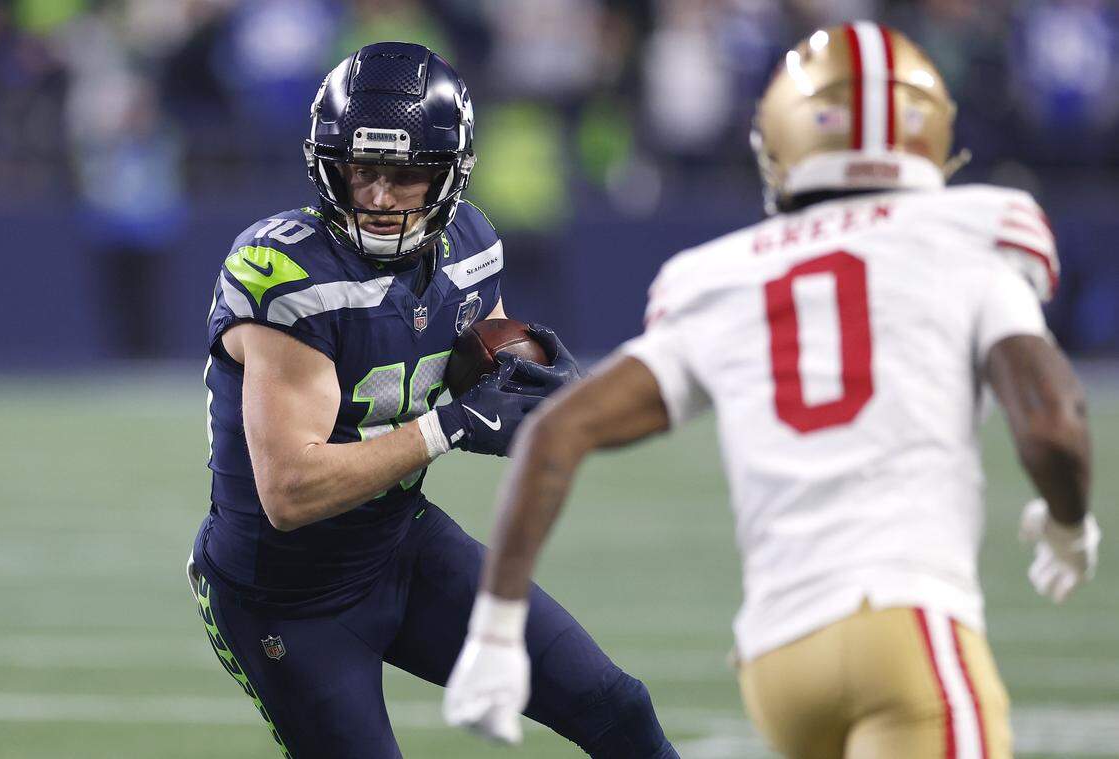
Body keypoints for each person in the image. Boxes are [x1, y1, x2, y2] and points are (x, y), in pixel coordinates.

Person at [444, 23, 1102, 759]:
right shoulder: (973, 229)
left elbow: (558, 431)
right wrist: (1069, 524)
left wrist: (499, 630)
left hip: (780, 659)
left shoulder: (728, 272)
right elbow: (1050, 424)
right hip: (906, 621)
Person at [186, 42, 678, 759]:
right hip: (285, 599)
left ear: (448, 175)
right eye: (363, 172)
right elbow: (289, 490)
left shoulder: (469, 241)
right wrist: (451, 424)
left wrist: (535, 388)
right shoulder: (288, 274)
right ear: (329, 166)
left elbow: (482, 357)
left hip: (399, 544)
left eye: (406, 175)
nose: (381, 198)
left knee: (617, 707)